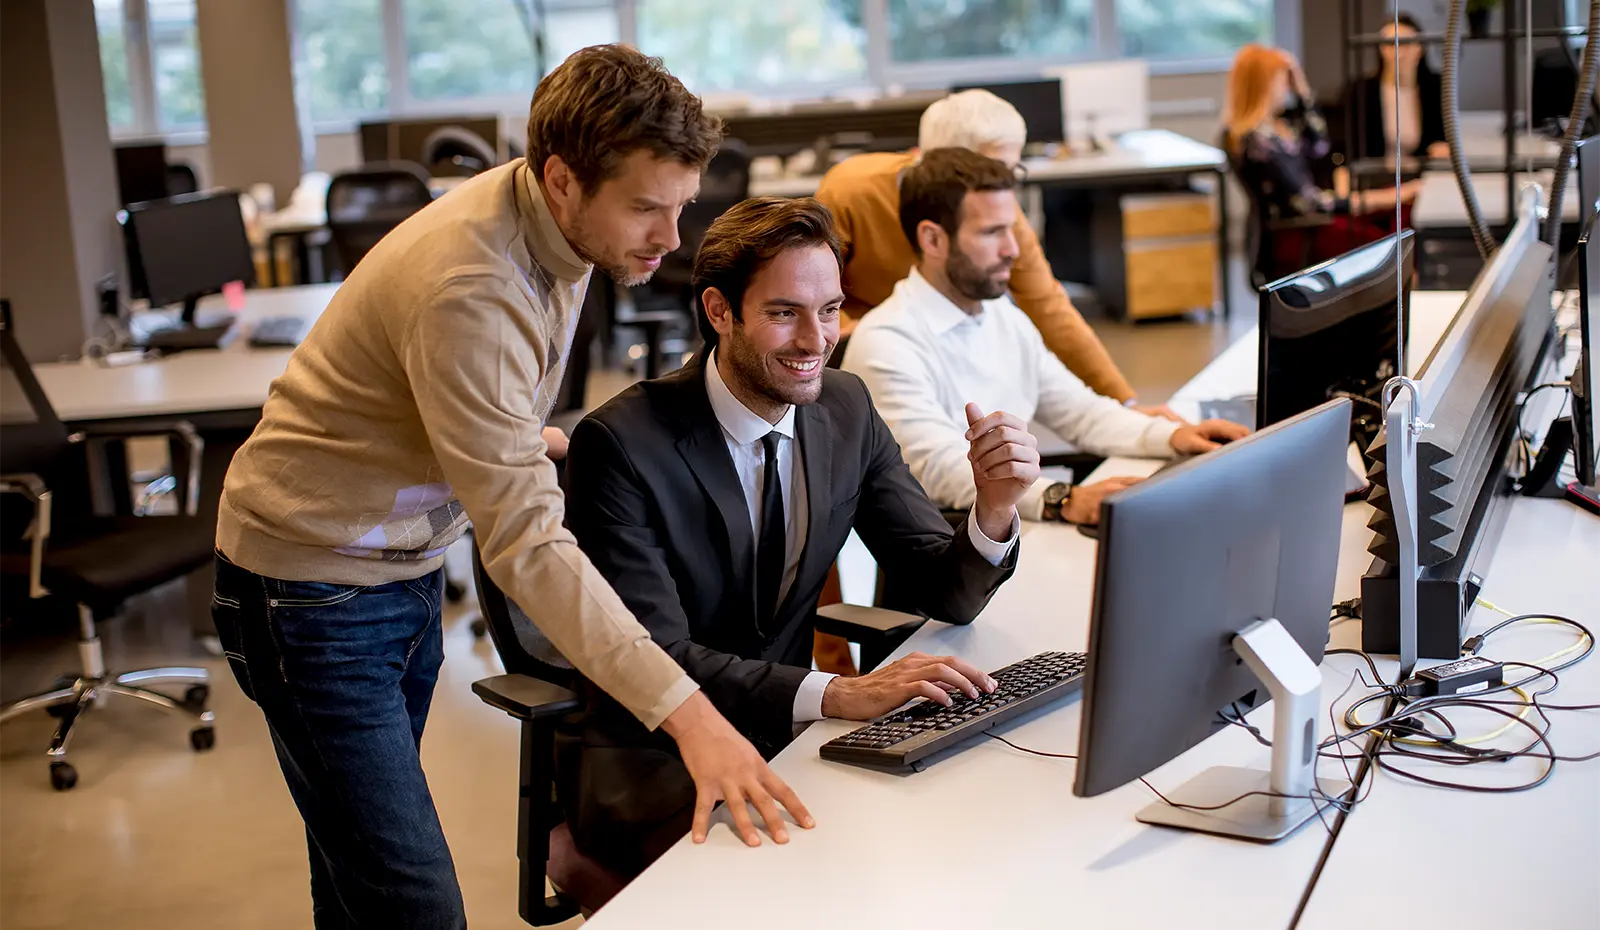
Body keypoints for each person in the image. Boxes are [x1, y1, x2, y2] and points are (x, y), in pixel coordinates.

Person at [209, 46, 810, 929]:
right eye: (647, 207)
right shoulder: (474, 286)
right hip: (309, 593)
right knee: (414, 907)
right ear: (562, 179)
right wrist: (692, 717)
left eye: (681, 206)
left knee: (357, 884)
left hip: (397, 568)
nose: (671, 239)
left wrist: (519, 437)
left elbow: (470, 387)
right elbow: (526, 542)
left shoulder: (553, 226)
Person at [557, 196, 1036, 875]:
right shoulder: (622, 444)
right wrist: (837, 694)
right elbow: (658, 658)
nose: (817, 340)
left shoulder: (844, 407)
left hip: (792, 734)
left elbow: (941, 587)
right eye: (785, 313)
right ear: (720, 311)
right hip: (659, 758)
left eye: (831, 310)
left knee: (960, 847)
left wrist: (992, 509)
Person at [842, 148, 1248, 526]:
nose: (1013, 249)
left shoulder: (1000, 314)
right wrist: (1060, 499)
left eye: (1013, 230)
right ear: (932, 239)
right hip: (949, 557)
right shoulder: (887, 341)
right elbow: (938, 469)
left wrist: (1173, 437)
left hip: (1011, 528)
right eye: (992, 233)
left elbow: (1078, 411)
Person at [815, 89, 1173, 417]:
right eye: (994, 171)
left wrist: (1126, 404)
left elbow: (1049, 306)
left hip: (944, 342)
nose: (1004, 189)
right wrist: (860, 330)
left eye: (1012, 171)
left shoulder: (997, 208)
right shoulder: (853, 191)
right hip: (859, 348)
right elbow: (810, 291)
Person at [1225, 43, 1424, 280]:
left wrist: (1303, 92)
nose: (1285, 87)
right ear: (1264, 84)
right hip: (1300, 231)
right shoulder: (1255, 140)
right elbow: (1312, 203)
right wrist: (1388, 197)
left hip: (1313, 221)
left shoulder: (1279, 127)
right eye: (1281, 80)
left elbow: (1319, 146)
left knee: (1401, 214)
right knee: (1390, 243)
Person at [1344, 13, 1448, 163]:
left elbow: (1442, 140)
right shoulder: (1361, 91)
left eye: (1405, 44)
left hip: (1424, 176)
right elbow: (1352, 149)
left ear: (1420, 48)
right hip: (1377, 179)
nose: (1398, 53)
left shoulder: (1436, 88)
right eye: (1391, 45)